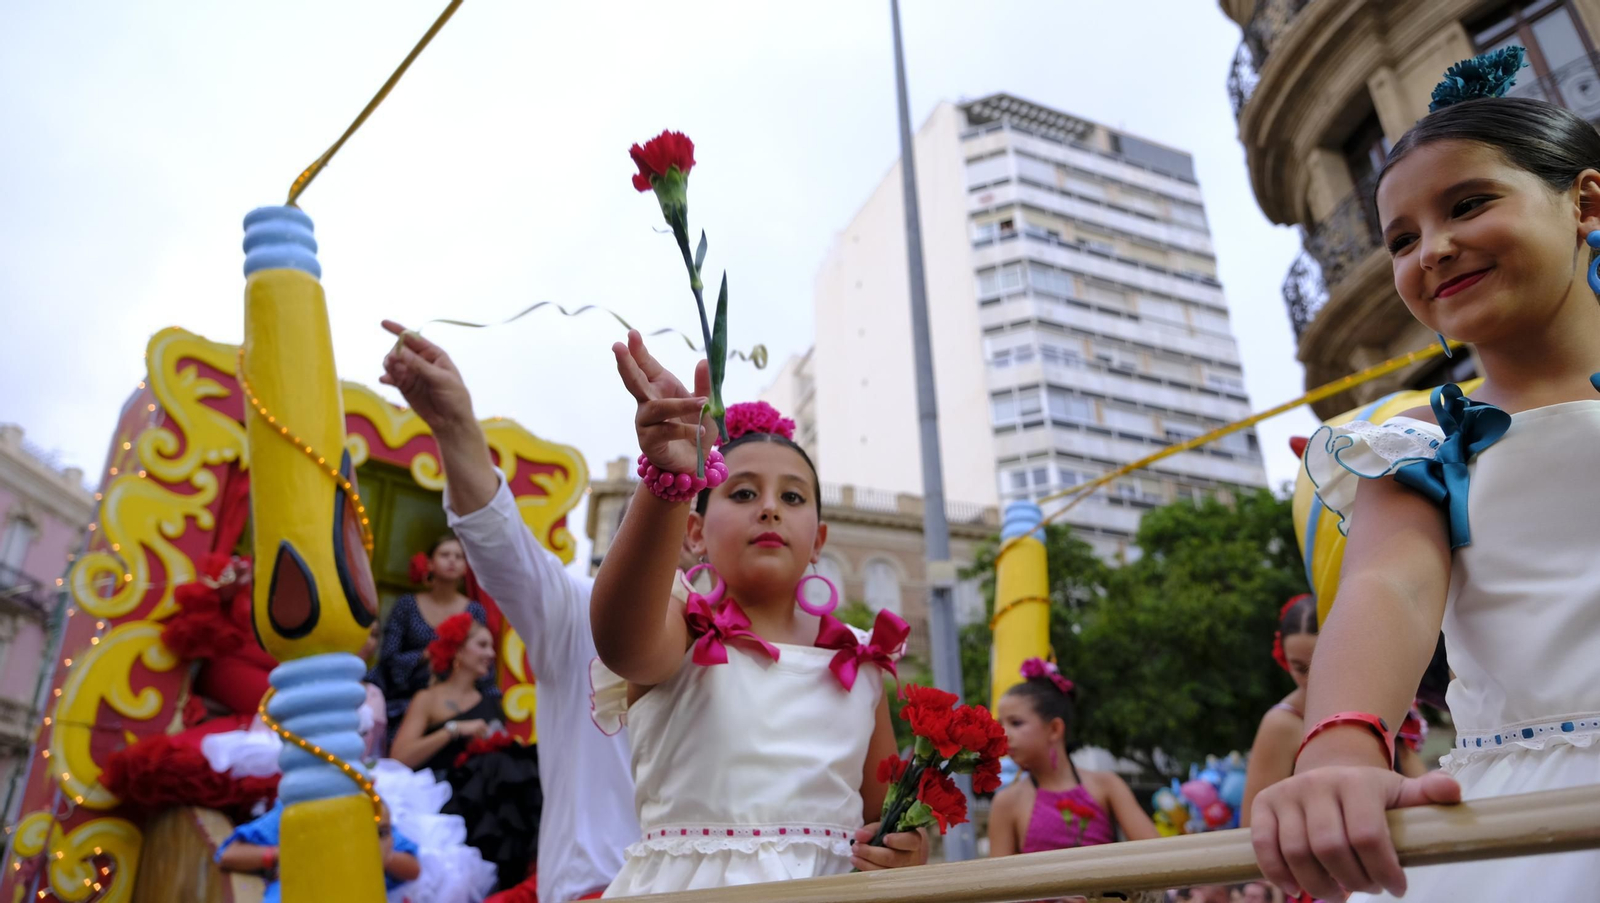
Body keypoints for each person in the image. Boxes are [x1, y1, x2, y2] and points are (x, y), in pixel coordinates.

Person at [1250, 46, 1600, 901]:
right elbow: (1388, 587)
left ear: (1586, 201)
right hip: (1536, 825)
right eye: (1401, 239)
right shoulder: (1416, 443)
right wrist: (1337, 753)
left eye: (1469, 204)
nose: (1433, 250)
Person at [587, 332, 927, 895]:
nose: (769, 507)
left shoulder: (864, 660)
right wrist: (670, 483)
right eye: (742, 493)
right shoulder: (678, 628)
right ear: (694, 531)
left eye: (792, 497)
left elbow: (883, 820)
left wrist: (906, 850)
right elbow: (620, 641)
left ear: (818, 540)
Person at [380, 320, 638, 902]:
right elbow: (500, 543)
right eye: (647, 518)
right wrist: (455, 429)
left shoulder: (786, 652)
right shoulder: (580, 615)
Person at [391, 612, 542, 893]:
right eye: (482, 645)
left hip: (483, 810)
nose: (491, 654)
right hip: (438, 798)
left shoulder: (492, 703)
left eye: (492, 647)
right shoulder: (428, 698)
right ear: (458, 649)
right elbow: (399, 757)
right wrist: (453, 730)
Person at [988, 658, 1157, 857]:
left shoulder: (1106, 785)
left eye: (1016, 723)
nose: (1004, 734)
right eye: (1001, 724)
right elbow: (1001, 882)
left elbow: (1156, 854)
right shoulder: (1007, 803)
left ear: (1054, 729)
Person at [368, 534, 494, 743]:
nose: (452, 560)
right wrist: (426, 655)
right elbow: (388, 659)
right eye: (445, 554)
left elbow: (484, 666)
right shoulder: (407, 605)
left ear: (466, 568)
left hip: (455, 705)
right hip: (403, 701)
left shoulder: (474, 611)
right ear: (429, 564)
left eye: (459, 556)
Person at [217, 801, 421, 903]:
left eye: (383, 832)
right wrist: (293, 853)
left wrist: (371, 849)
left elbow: (412, 868)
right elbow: (228, 855)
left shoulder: (366, 803)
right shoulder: (297, 806)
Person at [1240, 595, 1318, 828]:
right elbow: (1252, 828)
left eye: (1322, 661)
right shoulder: (1281, 724)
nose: (1312, 678)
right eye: (1300, 668)